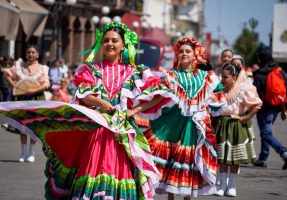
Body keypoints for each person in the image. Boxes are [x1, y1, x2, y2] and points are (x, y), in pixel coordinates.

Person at [0, 22, 171, 199]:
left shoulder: (134, 72)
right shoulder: (91, 70)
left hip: (123, 135)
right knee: (95, 170)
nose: (110, 44)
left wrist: (131, 112)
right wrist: (101, 102)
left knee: (120, 172)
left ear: (123, 45)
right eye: (106, 40)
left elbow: (159, 94)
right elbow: (84, 96)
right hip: (97, 132)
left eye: (114, 40)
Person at [144, 37, 227, 199]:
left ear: (195, 54)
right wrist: (135, 110)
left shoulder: (206, 76)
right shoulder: (170, 75)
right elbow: (157, 96)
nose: (184, 54)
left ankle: (187, 197)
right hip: (173, 123)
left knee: (189, 161)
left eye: (187, 51)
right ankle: (170, 197)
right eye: (181, 51)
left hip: (193, 126)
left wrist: (206, 106)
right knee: (171, 158)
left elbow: (219, 91)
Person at [214, 63, 262, 197]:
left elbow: (257, 104)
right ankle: (222, 185)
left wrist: (246, 118)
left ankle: (232, 186)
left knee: (235, 158)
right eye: (222, 76)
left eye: (226, 77)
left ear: (234, 77)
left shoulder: (243, 89)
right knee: (222, 157)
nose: (223, 79)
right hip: (221, 125)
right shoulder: (219, 89)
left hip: (236, 125)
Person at [3, 45, 50, 163]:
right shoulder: (19, 66)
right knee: (22, 125)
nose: (31, 55)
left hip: (36, 98)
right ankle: (23, 152)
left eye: (33, 52)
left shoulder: (42, 68)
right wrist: (16, 86)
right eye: (29, 52)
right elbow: (6, 75)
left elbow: (46, 84)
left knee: (33, 125)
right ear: (26, 54)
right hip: (22, 98)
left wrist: (33, 91)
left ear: (37, 54)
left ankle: (31, 152)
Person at [253, 46, 287, 170]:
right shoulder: (279, 71)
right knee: (267, 132)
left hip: (264, 107)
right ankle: (263, 158)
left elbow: (255, 92)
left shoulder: (259, 73)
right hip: (277, 106)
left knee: (266, 133)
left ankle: (284, 152)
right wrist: (285, 108)